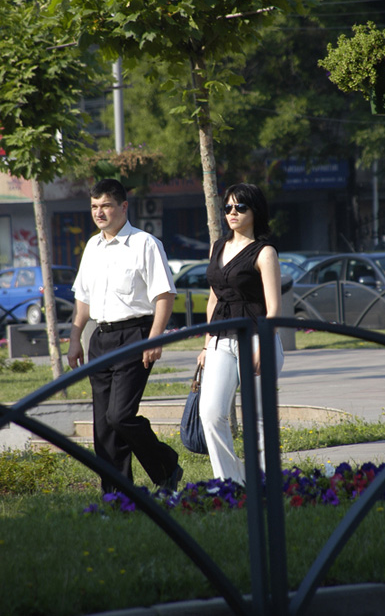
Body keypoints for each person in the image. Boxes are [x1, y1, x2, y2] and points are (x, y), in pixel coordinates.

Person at [67, 178, 182, 493]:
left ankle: (166, 467)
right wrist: (75, 337)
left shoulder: (145, 244)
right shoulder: (92, 247)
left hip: (135, 336)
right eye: (94, 206)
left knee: (119, 416)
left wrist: (154, 339)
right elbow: (83, 298)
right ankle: (117, 495)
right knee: (104, 426)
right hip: (99, 338)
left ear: (123, 206)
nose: (99, 212)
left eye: (106, 205)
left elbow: (164, 295)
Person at [197, 183, 284, 485]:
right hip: (221, 338)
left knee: (257, 418)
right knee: (210, 413)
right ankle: (231, 483)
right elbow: (213, 299)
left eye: (240, 207)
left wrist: (264, 344)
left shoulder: (265, 252)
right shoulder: (217, 247)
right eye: (228, 207)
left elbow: (274, 307)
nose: (232, 213)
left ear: (255, 211)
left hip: (257, 338)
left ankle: (265, 485)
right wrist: (206, 345)